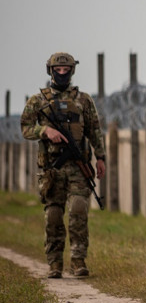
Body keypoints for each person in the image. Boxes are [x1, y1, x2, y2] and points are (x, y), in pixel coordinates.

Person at [20, 52, 107, 279]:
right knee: (54, 216)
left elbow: (94, 130)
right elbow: (26, 128)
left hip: (78, 167)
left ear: (72, 70)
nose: (61, 73)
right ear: (50, 70)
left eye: (65, 69)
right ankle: (55, 263)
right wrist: (45, 131)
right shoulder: (38, 101)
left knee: (79, 210)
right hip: (52, 168)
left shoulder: (84, 100)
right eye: (57, 70)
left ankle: (78, 260)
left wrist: (100, 157)